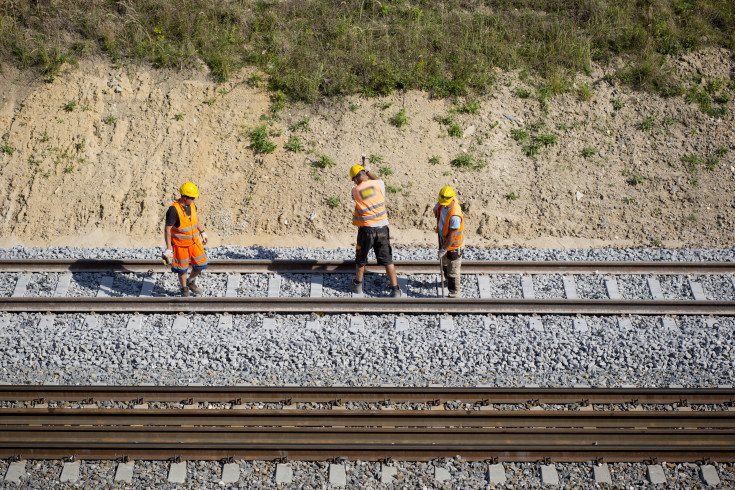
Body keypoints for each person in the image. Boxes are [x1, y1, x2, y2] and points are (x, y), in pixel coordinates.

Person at [348, 163, 402, 298]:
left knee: (361, 258)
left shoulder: (355, 191)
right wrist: (369, 172)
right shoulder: (378, 185)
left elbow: (360, 194)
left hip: (366, 229)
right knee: (388, 260)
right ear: (365, 174)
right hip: (382, 229)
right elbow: (378, 179)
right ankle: (395, 289)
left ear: (355, 179)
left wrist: (364, 176)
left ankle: (358, 286)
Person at [162, 182, 209, 297]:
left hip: (194, 242)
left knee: (201, 264)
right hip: (180, 245)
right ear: (184, 197)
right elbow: (167, 229)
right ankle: (184, 289)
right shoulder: (174, 210)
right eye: (192, 198)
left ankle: (191, 281)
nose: (194, 200)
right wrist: (169, 248)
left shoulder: (192, 205)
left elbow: (195, 219)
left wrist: (202, 232)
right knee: (182, 269)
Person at [435, 186, 464, 298]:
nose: (444, 205)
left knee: (453, 270)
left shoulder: (455, 216)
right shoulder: (443, 202)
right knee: (445, 265)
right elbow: (439, 206)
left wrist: (444, 249)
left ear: (453, 199)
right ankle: (447, 281)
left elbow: (452, 236)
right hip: (444, 241)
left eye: (446, 203)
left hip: (453, 245)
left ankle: (454, 292)